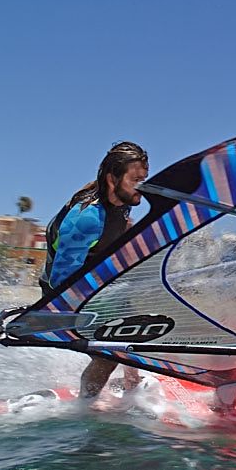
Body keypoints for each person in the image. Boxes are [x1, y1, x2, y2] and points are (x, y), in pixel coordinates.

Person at [40, 141, 149, 399]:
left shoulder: (122, 203)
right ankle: (85, 405)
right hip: (64, 292)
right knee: (109, 353)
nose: (141, 186)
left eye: (144, 179)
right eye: (135, 179)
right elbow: (61, 279)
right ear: (113, 178)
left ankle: (133, 384)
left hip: (98, 286)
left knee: (140, 324)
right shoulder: (87, 218)